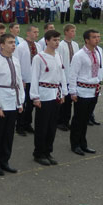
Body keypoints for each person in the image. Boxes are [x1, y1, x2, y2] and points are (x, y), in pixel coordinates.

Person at [0, 33, 24, 175]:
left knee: (8, 135)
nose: (13, 45)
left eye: (14, 42)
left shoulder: (16, 61)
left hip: (12, 102)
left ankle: (5, 160)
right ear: (2, 45)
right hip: (1, 103)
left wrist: (20, 102)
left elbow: (19, 81)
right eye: (10, 42)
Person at [30, 30, 67, 166]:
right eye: (54, 40)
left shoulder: (58, 56)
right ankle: (39, 153)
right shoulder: (39, 58)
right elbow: (34, 78)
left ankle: (48, 151)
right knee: (42, 126)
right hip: (44, 95)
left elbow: (62, 75)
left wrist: (63, 93)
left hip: (55, 94)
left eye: (58, 40)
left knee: (52, 126)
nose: (57, 42)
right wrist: (35, 97)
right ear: (47, 41)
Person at [68, 29, 103, 156]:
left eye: (98, 37)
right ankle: (75, 144)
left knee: (86, 119)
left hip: (93, 91)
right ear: (87, 40)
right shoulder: (79, 55)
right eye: (94, 37)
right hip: (82, 91)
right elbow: (73, 74)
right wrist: (73, 92)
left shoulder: (97, 52)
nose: (97, 39)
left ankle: (83, 143)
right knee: (79, 119)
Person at [14, 25, 40, 136]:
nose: (36, 34)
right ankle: (19, 126)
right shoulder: (21, 47)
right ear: (28, 33)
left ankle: (27, 123)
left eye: (37, 32)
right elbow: (16, 63)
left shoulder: (38, 46)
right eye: (34, 32)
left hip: (35, 79)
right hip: (25, 79)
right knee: (22, 103)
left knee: (31, 104)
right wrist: (20, 79)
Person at [56, 24, 79, 131]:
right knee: (64, 101)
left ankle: (66, 120)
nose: (73, 33)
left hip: (72, 76)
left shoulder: (75, 44)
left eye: (74, 31)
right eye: (71, 31)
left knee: (69, 101)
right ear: (66, 32)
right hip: (64, 75)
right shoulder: (61, 45)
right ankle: (60, 121)